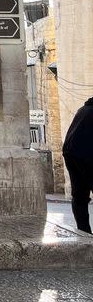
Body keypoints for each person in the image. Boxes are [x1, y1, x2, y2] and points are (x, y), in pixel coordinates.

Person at [62, 96, 93, 233]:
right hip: (86, 153)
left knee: (79, 195)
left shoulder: (83, 109)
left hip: (70, 151)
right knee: (80, 196)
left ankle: (84, 233)